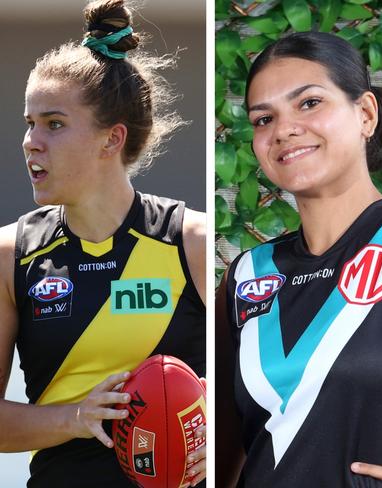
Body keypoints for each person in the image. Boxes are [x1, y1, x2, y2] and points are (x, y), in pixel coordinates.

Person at [216, 31, 382, 488]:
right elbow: (223, 459)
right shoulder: (245, 276)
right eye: (264, 118)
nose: (283, 129)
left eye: (309, 103)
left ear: (365, 114)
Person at [0, 1, 206, 486]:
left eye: (53, 124)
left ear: (111, 140)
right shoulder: (12, 254)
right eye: (28, 123)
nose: (31, 141)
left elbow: (255, 393)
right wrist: (75, 418)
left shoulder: (189, 241)